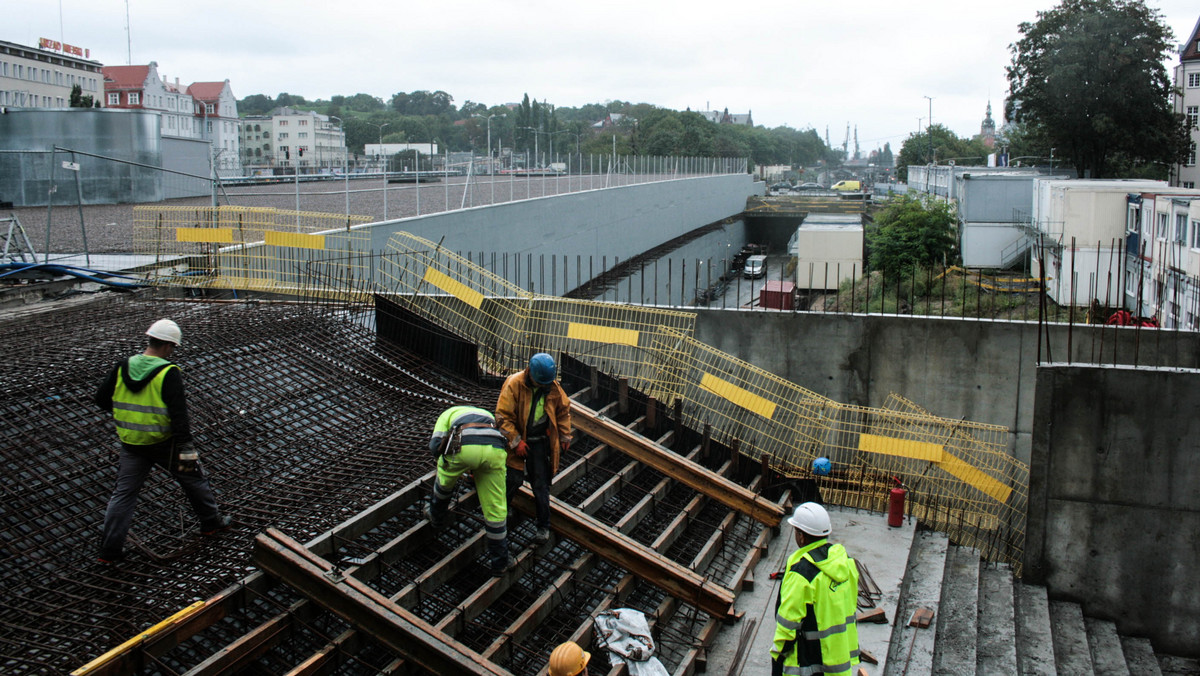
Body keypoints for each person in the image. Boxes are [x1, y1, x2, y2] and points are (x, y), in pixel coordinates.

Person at [95, 319, 230, 563]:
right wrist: (188, 451)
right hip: (165, 443)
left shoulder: (123, 366)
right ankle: (212, 523)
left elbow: (102, 399)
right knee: (193, 478)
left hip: (132, 443)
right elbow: (180, 418)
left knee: (123, 495)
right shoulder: (168, 372)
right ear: (169, 346)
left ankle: (109, 551)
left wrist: (127, 416)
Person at [424, 405, 514, 575]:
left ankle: (436, 516)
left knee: (444, 481)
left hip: (464, 447)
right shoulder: (486, 414)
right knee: (496, 509)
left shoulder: (446, 414)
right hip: (495, 451)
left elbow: (435, 445)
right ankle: (500, 562)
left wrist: (447, 464)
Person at [772, 502, 860, 676]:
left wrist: (778, 654)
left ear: (802, 536)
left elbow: (788, 624)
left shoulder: (802, 574)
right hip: (839, 661)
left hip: (809, 662)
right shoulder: (846, 563)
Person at [496, 352, 572, 544]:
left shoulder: (552, 387)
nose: (542, 386)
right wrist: (515, 442)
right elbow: (503, 417)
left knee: (541, 484)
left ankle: (543, 526)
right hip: (519, 438)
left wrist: (564, 435)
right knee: (512, 479)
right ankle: (500, 516)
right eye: (540, 382)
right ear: (530, 372)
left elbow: (563, 411)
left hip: (538, 441)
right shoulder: (514, 384)